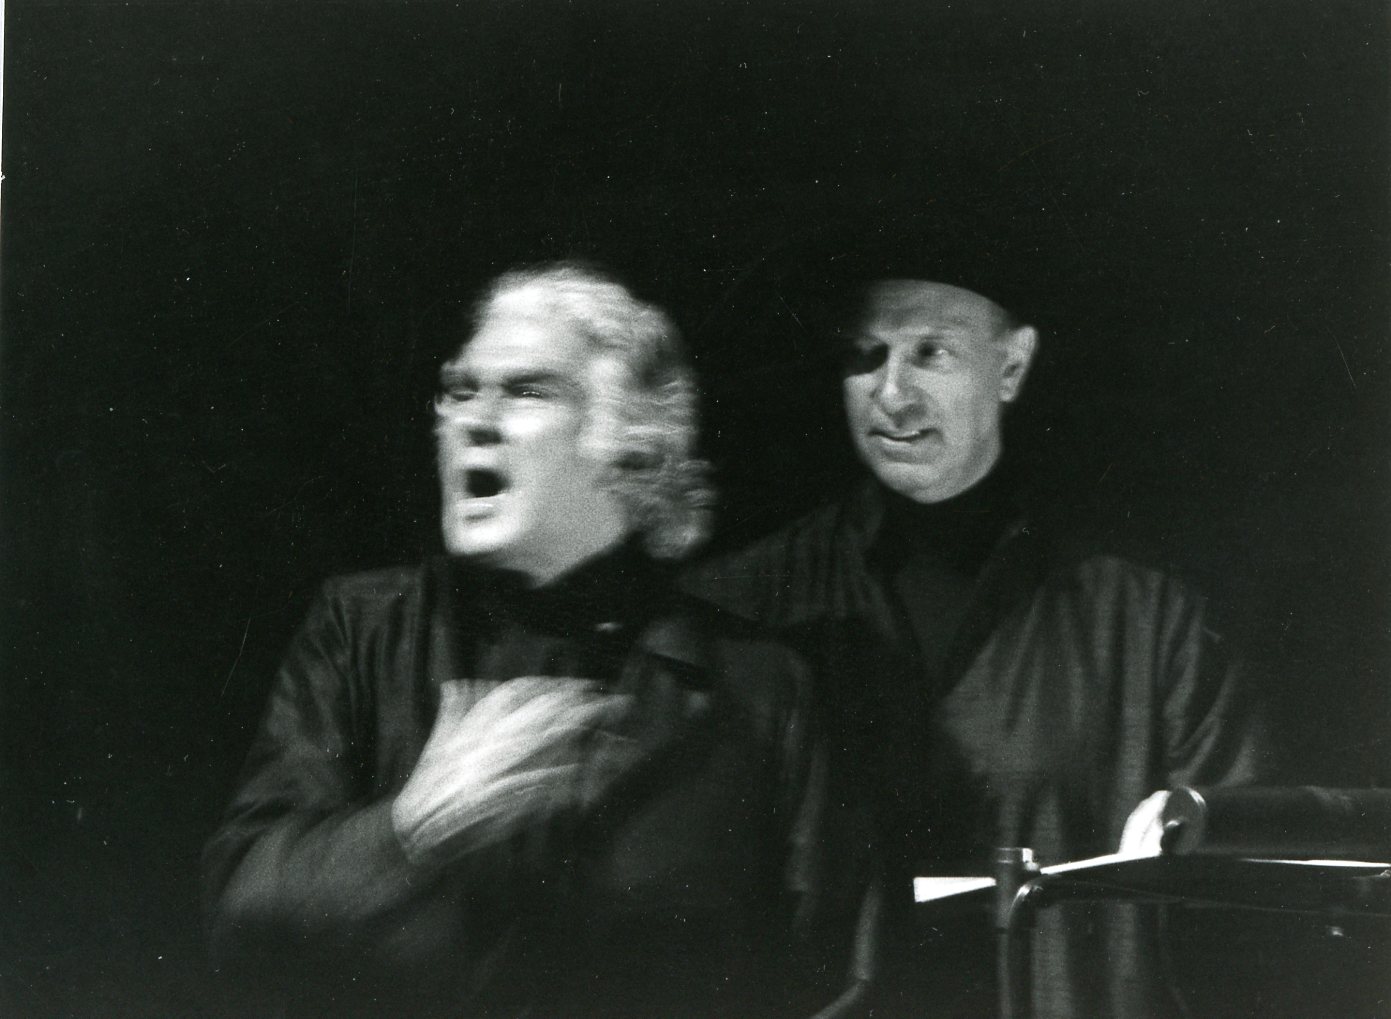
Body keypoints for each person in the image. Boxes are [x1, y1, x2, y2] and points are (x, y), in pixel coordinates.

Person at [202, 262, 867, 1019]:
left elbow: (815, 975)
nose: (473, 420)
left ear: (630, 450)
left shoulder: (761, 687)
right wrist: (412, 825)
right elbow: (238, 911)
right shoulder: (363, 629)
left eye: (526, 391)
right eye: (459, 390)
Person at [683, 226, 1270, 1018]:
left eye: (931, 353)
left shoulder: (1149, 618)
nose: (891, 394)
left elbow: (1242, 901)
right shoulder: (746, 604)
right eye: (864, 357)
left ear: (1012, 366)